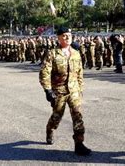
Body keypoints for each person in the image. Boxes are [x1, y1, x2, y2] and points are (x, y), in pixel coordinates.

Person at [39, 27, 91, 156]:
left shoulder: (76, 53)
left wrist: (80, 89)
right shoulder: (53, 53)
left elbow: (79, 73)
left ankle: (79, 144)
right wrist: (47, 90)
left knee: (77, 115)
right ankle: (50, 129)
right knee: (57, 115)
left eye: (69, 35)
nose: (67, 37)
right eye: (64, 35)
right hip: (59, 90)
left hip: (74, 90)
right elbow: (45, 72)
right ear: (58, 38)